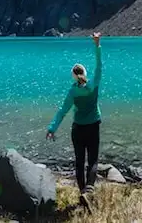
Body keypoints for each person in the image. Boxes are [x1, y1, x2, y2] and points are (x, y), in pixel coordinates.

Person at [46, 32, 103, 211]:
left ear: (73, 76)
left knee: (79, 162)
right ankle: (89, 191)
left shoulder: (72, 92)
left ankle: (82, 195)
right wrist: (97, 44)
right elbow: (99, 66)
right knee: (93, 160)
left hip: (78, 129)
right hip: (93, 126)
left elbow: (63, 111)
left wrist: (52, 128)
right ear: (85, 74)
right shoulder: (93, 84)